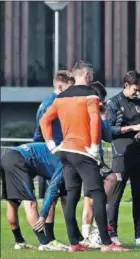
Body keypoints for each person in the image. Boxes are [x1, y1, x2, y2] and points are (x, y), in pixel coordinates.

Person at [39, 61, 129, 252]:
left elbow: (44, 120)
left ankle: (74, 243)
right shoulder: (91, 95)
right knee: (97, 195)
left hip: (66, 152)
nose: (92, 78)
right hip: (84, 151)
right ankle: (106, 243)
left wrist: (52, 146)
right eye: (91, 75)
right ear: (86, 75)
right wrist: (95, 147)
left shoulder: (60, 97)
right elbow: (95, 120)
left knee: (72, 196)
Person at [105, 71, 140, 246]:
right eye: (136, 89)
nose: (138, 93)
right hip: (121, 155)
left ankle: (139, 236)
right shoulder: (113, 103)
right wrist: (133, 127)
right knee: (115, 196)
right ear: (126, 85)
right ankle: (112, 235)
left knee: (139, 195)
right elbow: (109, 130)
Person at [32, 70, 74, 248]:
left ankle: (73, 235)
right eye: (69, 88)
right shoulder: (49, 104)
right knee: (53, 196)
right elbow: (39, 132)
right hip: (50, 157)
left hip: (62, 155)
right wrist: (47, 151)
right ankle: (49, 239)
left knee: (64, 195)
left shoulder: (62, 103)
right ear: (59, 86)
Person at [1, 143, 68, 251]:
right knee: (31, 203)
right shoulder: (65, 162)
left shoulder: (60, 152)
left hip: (8, 157)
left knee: (12, 202)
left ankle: (19, 241)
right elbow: (52, 190)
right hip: (19, 160)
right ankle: (44, 243)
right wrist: (43, 215)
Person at [80, 81, 117, 247]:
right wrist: (103, 117)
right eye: (102, 98)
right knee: (92, 199)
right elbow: (108, 135)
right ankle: (90, 235)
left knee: (92, 198)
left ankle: (87, 236)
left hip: (93, 159)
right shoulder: (88, 112)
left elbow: (107, 137)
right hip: (88, 158)